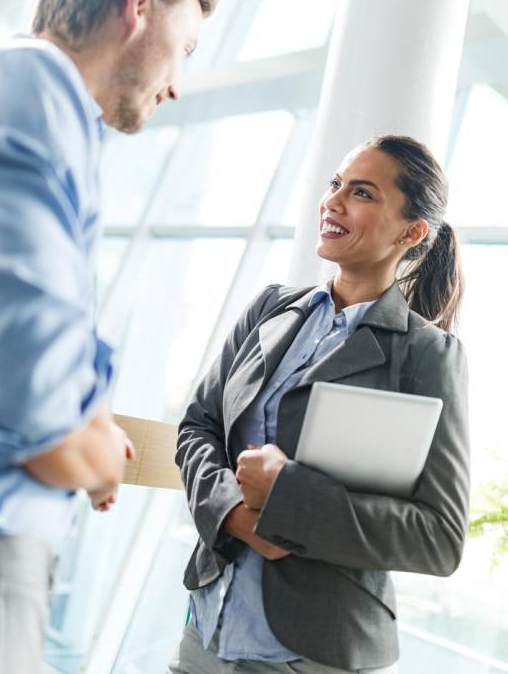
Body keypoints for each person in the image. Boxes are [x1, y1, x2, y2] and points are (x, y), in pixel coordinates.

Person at [0, 0, 217, 673]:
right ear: (138, 4)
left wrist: (87, 429)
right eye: (183, 49)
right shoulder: (35, 87)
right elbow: (26, 403)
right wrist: (90, 453)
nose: (177, 84)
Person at [172, 134, 468, 674]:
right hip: (208, 626)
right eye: (335, 184)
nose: (332, 201)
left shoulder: (427, 355)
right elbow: (198, 427)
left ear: (412, 230)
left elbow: (440, 537)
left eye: (361, 192)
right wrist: (231, 512)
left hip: (313, 653)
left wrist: (289, 497)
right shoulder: (269, 309)